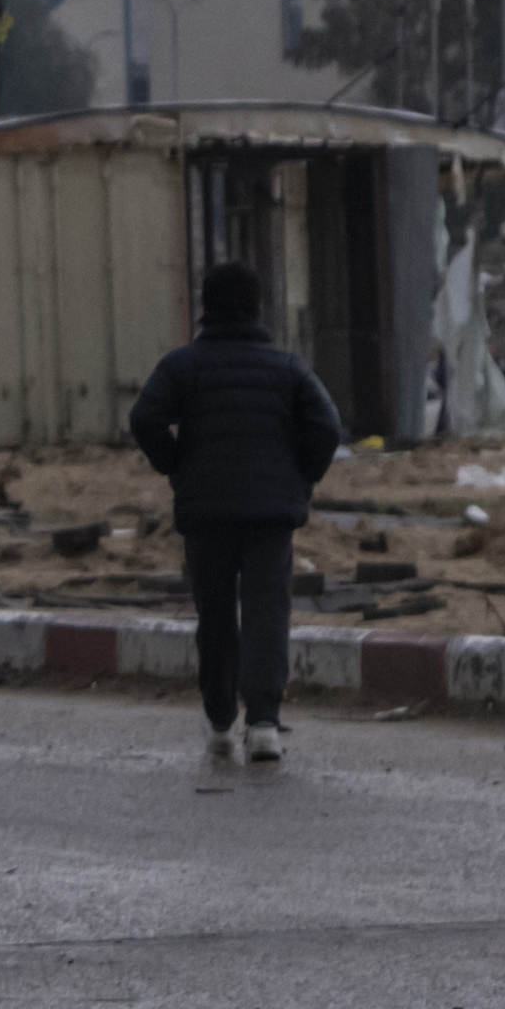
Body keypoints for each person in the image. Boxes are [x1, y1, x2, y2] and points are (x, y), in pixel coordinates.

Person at [124, 260, 351, 779]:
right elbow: (327, 425)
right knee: (267, 610)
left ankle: (221, 721)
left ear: (206, 308)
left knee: (216, 614)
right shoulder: (287, 369)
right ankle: (264, 724)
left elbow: (144, 418)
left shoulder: (181, 367)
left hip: (207, 511)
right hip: (270, 514)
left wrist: (175, 465)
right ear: (256, 309)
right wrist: (301, 479)